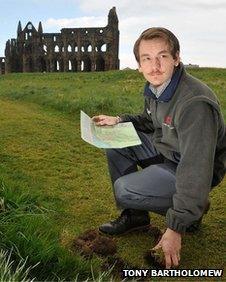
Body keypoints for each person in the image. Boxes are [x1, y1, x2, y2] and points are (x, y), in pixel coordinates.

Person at [92, 27, 226, 269]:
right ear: (139, 64)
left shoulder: (194, 103)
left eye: (162, 56)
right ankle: (135, 217)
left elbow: (196, 168)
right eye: (147, 59)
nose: (155, 66)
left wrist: (175, 228)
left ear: (176, 58)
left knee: (124, 189)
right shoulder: (158, 88)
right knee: (115, 141)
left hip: (193, 167)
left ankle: (189, 214)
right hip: (169, 151)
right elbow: (149, 121)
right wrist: (119, 120)